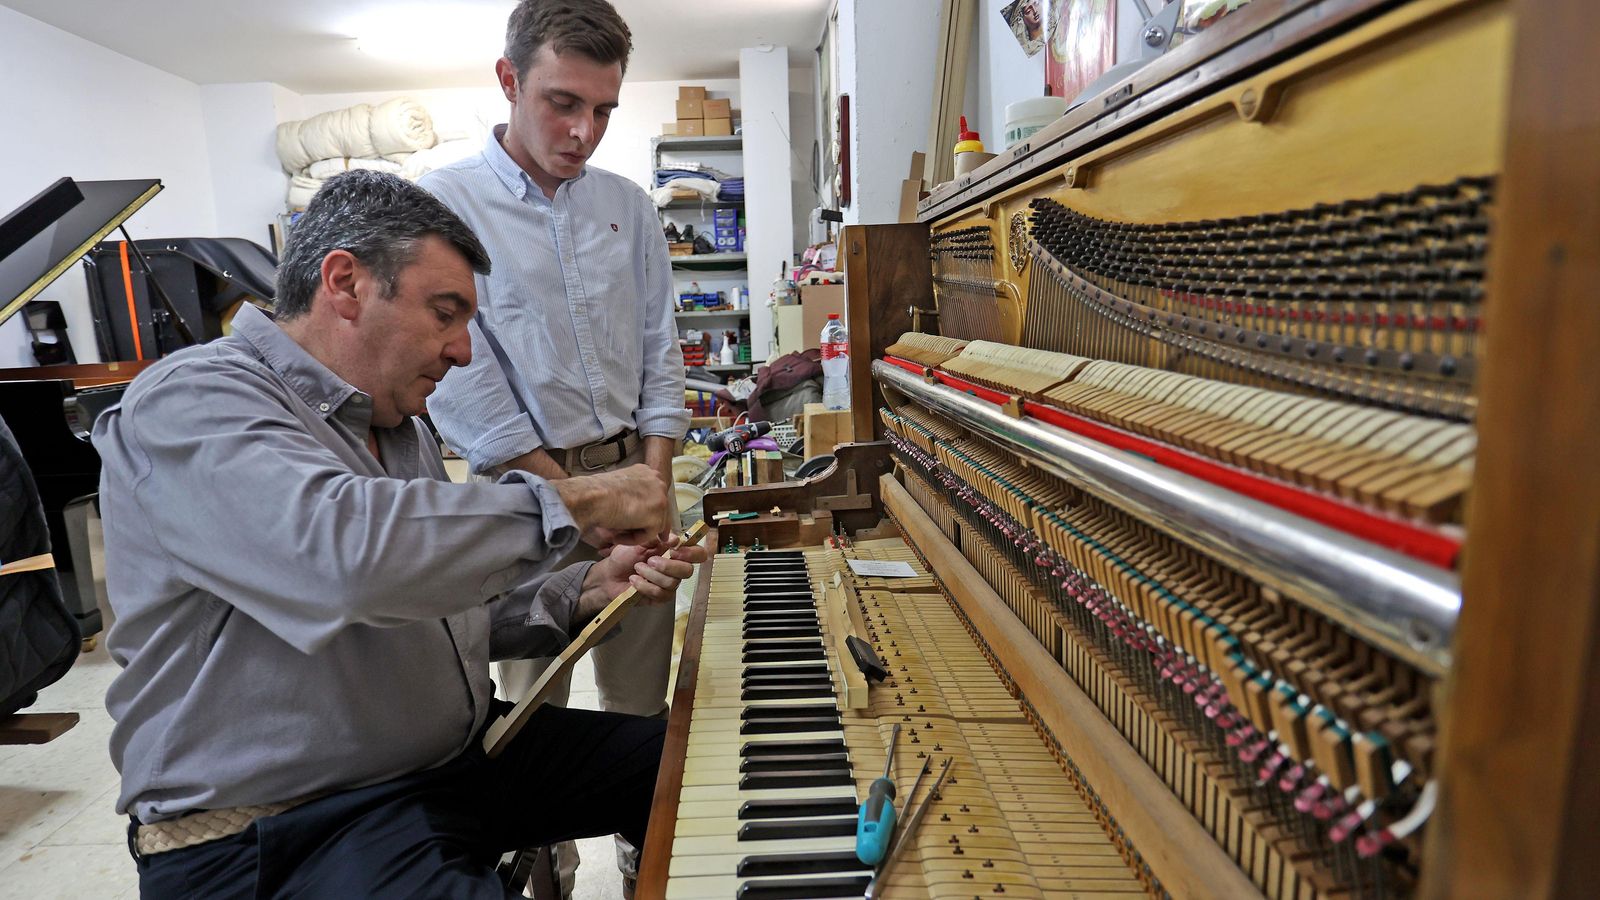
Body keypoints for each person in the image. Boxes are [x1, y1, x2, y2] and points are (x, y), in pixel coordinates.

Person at [94, 169, 705, 898]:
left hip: (448, 767)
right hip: (286, 826)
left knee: (697, 759)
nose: (463, 352)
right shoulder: (193, 400)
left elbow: (422, 612)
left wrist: (579, 590)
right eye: (444, 313)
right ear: (345, 283)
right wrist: (575, 501)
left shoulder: (399, 425)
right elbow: (343, 559)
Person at [418, 2, 687, 888]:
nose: (584, 132)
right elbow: (466, 380)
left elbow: (659, 348)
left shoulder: (628, 206)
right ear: (508, 81)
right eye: (562, 103)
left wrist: (648, 487)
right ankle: (546, 869)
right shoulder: (444, 205)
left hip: (633, 466)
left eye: (605, 110)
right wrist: (574, 501)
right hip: (522, 483)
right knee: (530, 704)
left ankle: (640, 853)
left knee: (639, 697)